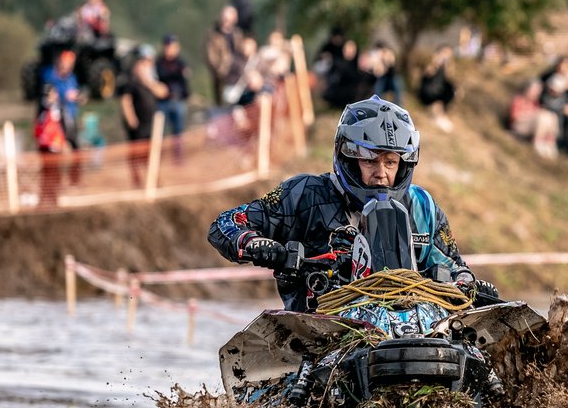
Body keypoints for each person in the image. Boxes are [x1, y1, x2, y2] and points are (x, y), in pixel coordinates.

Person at [207, 97, 495, 311]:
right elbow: (227, 223)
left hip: (414, 326)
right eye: (370, 160)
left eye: (390, 162)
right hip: (321, 329)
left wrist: (466, 282)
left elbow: (454, 266)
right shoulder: (305, 193)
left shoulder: (423, 206)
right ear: (348, 158)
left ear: (403, 164)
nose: (381, 172)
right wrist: (258, 245)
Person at [120, 45, 170, 188]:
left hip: (151, 124)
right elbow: (126, 101)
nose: (146, 67)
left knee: (153, 153)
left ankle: (154, 179)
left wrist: (149, 82)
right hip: (138, 125)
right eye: (143, 64)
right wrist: (131, 118)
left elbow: (163, 92)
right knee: (136, 154)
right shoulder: (131, 83)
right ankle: (137, 180)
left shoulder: (152, 82)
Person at [34, 84, 71, 208]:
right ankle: (45, 197)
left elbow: (63, 125)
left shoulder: (58, 108)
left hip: (56, 144)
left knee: (55, 172)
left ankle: (53, 197)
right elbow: (39, 126)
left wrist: (64, 140)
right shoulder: (43, 109)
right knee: (47, 172)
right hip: (45, 145)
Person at [156, 34, 191, 160]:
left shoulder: (181, 63)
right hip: (163, 102)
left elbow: (184, 82)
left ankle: (178, 158)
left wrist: (185, 95)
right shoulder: (159, 63)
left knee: (178, 131)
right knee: (160, 131)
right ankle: (159, 158)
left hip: (178, 100)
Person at [205, 5, 244, 105]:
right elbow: (211, 56)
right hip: (223, 75)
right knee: (223, 103)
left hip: (238, 73)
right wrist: (221, 69)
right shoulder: (214, 34)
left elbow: (241, 51)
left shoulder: (237, 34)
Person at [418, 45, 457, 132]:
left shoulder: (446, 66)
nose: (447, 56)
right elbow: (428, 73)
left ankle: (441, 116)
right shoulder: (432, 61)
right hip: (428, 92)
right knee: (437, 100)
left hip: (439, 92)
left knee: (452, 90)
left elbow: (450, 77)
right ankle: (436, 117)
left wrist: (447, 65)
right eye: (445, 53)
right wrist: (435, 63)